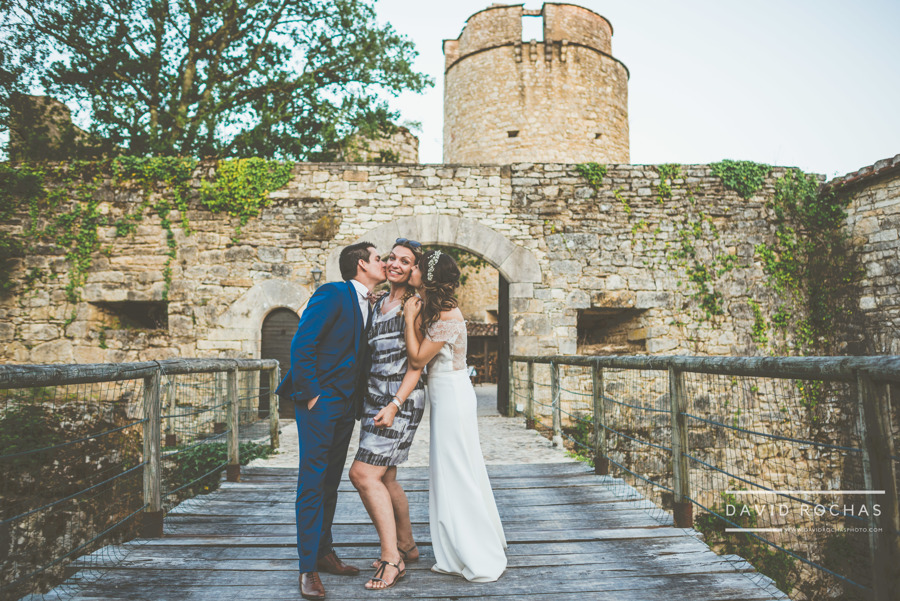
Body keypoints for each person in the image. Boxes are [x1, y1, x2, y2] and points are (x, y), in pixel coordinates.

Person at [275, 241, 385, 601]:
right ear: (360, 264)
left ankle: (324, 552)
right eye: (378, 258)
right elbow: (302, 343)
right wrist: (311, 394)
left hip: (346, 407)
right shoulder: (333, 293)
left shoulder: (371, 303)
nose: (383, 262)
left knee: (331, 482)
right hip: (320, 404)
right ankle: (307, 567)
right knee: (312, 481)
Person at [403, 249, 508, 583]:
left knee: (457, 468)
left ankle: (477, 551)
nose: (413, 269)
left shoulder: (448, 315)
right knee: (447, 468)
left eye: (417, 266)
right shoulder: (432, 307)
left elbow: (418, 359)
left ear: (430, 277)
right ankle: (450, 550)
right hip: (444, 393)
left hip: (452, 394)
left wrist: (408, 319)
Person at [348, 238, 426, 591]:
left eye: (404, 261)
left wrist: (394, 405)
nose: (394, 264)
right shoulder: (379, 300)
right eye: (391, 257)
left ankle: (391, 556)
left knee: (363, 474)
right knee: (386, 477)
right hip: (374, 397)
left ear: (414, 270)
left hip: (400, 399)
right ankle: (407, 546)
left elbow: (417, 364)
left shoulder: (415, 304)